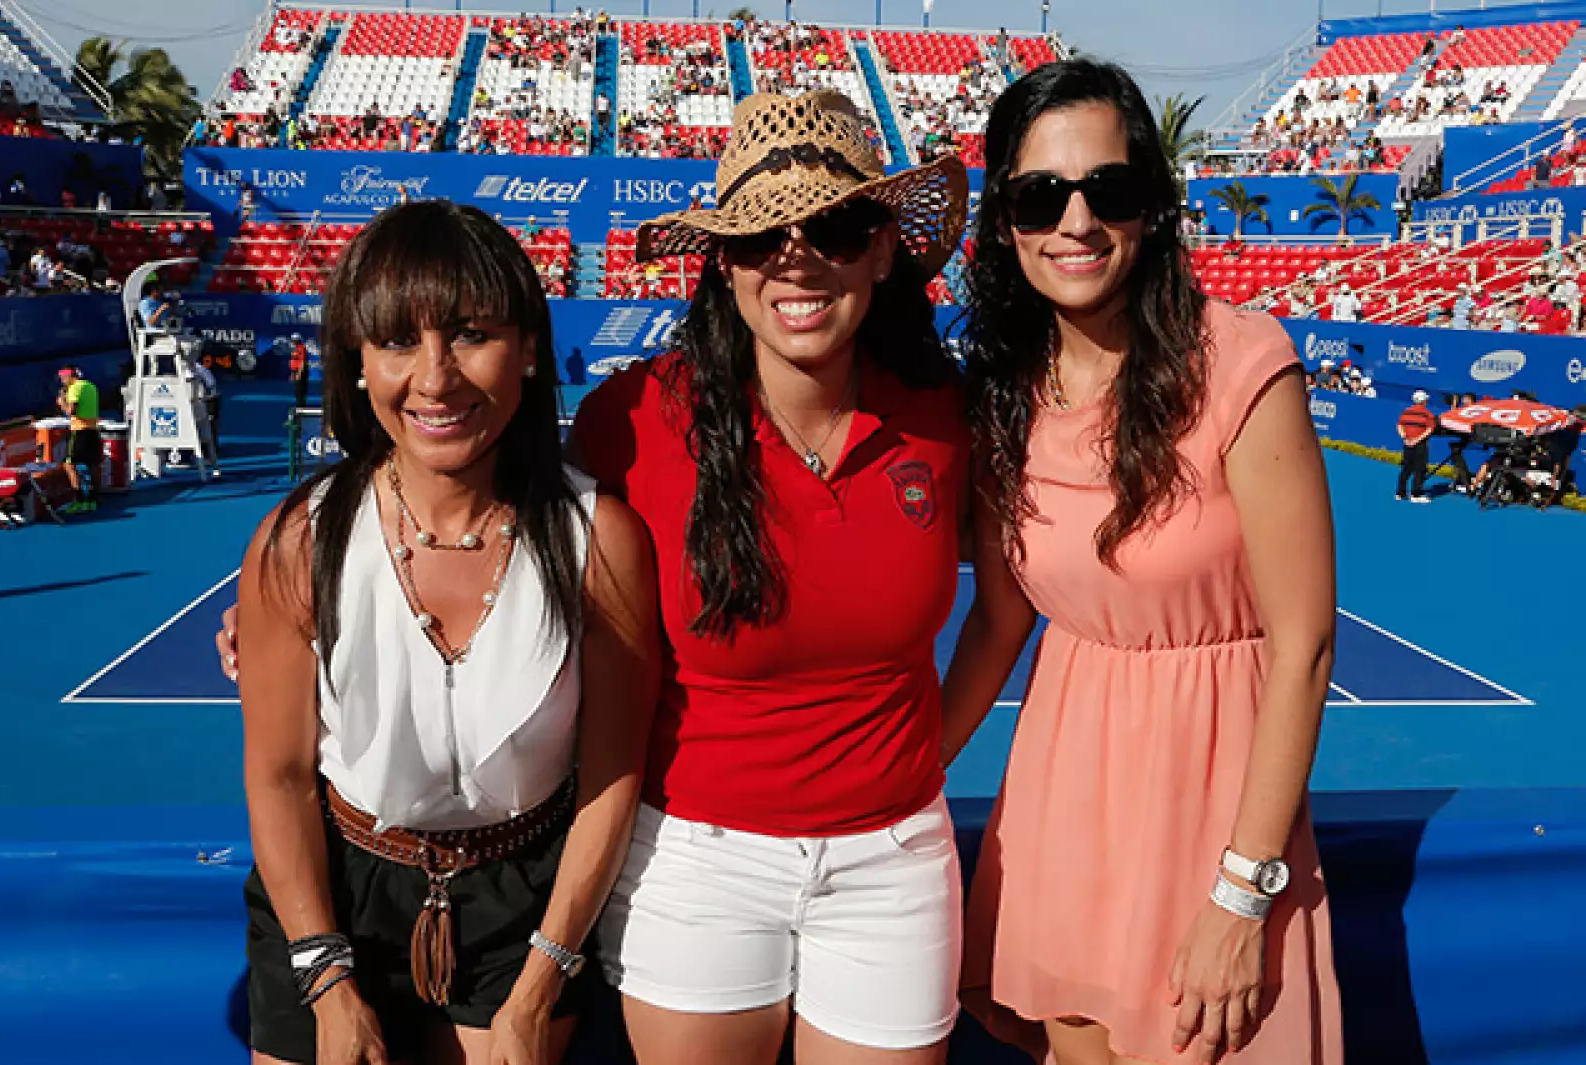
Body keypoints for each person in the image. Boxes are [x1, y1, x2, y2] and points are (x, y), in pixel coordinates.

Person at [945, 60, 1343, 1065]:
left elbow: (1302, 645)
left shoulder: (1243, 363)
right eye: (1040, 197)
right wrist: (896, 774)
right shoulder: (1001, 391)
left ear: (1152, 209)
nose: (1074, 222)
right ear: (1004, 224)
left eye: (1107, 191)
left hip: (1216, 811)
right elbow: (999, 620)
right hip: (1061, 804)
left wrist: (1241, 892)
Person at [572, 91, 972, 1065]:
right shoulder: (630, 421)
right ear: (723, 263)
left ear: (882, 250)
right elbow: (493, 551)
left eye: (832, 228)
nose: (794, 258)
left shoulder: (942, 416)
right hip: (693, 867)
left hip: (897, 864)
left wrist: (924, 756)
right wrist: (305, 613)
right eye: (758, 237)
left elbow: (1032, 585)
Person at [227, 202, 660, 1065]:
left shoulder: (600, 538)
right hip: (332, 892)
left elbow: (613, 773)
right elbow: (278, 778)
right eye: (395, 342)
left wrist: (541, 982)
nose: (434, 378)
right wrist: (323, 975)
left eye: (469, 334)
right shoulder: (297, 543)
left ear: (530, 349)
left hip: (529, 904)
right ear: (357, 364)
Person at [56, 366, 101, 514]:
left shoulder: (74, 388)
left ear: (71, 376)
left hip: (79, 431)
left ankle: (79, 501)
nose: (62, 381)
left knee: (69, 465)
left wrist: (62, 402)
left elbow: (71, 411)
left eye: (63, 377)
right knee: (92, 464)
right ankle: (93, 501)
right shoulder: (91, 386)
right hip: (93, 430)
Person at [1397, 389, 1436, 502]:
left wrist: (1405, 438)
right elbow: (1429, 430)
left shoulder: (1406, 412)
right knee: (1420, 469)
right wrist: (1416, 440)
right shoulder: (1428, 414)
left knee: (1406, 468)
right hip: (1420, 445)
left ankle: (1400, 493)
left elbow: (1400, 426)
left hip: (1407, 444)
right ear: (1423, 401)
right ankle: (1416, 494)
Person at [288, 333, 312, 409]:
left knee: (301, 389)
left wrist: (299, 373)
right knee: (297, 390)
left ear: (297, 340)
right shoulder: (294, 349)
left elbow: (302, 362)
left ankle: (301, 406)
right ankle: (299, 405)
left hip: (301, 372)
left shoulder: (302, 348)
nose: (292, 341)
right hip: (295, 371)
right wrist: (292, 373)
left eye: (293, 340)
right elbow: (293, 361)